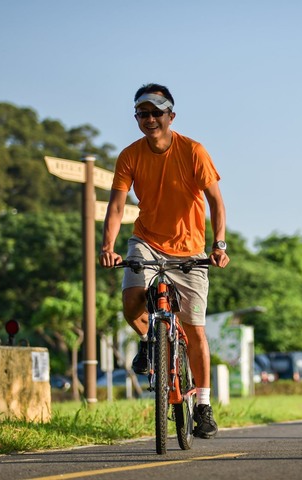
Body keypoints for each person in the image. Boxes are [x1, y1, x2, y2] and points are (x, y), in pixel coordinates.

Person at [99, 83, 230, 439]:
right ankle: (149, 342)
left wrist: (218, 244)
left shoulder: (193, 151)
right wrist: (108, 246)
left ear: (171, 115)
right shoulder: (130, 155)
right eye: (143, 113)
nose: (150, 119)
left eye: (157, 112)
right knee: (131, 302)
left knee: (194, 329)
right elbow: (115, 205)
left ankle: (202, 404)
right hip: (147, 241)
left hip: (190, 249)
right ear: (137, 117)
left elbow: (216, 201)